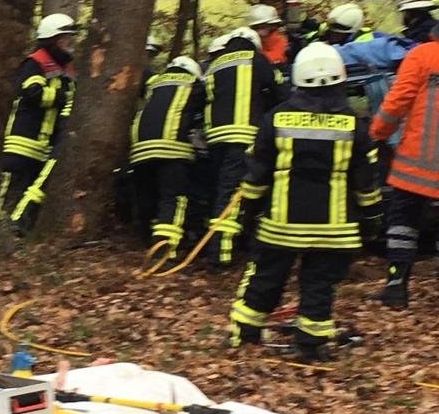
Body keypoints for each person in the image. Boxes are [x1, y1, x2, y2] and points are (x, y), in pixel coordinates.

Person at [229, 43, 382, 362]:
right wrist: (372, 221)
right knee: (318, 285)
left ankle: (245, 333)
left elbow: (257, 174)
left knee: (267, 277)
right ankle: (310, 344)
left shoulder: (275, 118)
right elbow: (365, 182)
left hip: (281, 225)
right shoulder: (354, 124)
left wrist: (247, 213)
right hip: (334, 230)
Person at [203, 26, 289, 269]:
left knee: (220, 192)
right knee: (232, 196)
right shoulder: (258, 61)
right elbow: (279, 94)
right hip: (243, 138)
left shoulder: (215, 64)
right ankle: (219, 257)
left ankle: (226, 246)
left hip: (215, 140)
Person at [368, 20, 439, 309]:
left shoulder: (422, 55)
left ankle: (396, 286)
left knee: (403, 221)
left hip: (419, 162)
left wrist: (377, 133)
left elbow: (397, 102)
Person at [0, 13, 78, 242]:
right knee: (8, 193)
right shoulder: (35, 62)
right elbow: (31, 92)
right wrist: (61, 97)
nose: (70, 43)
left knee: (32, 191)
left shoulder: (67, 70)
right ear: (53, 39)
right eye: (66, 39)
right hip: (23, 140)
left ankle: (17, 235)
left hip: (43, 145)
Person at [129, 56, 205, 258]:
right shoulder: (194, 84)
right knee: (172, 198)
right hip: (172, 149)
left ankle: (147, 239)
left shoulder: (154, 83)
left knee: (148, 196)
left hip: (140, 148)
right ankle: (164, 251)